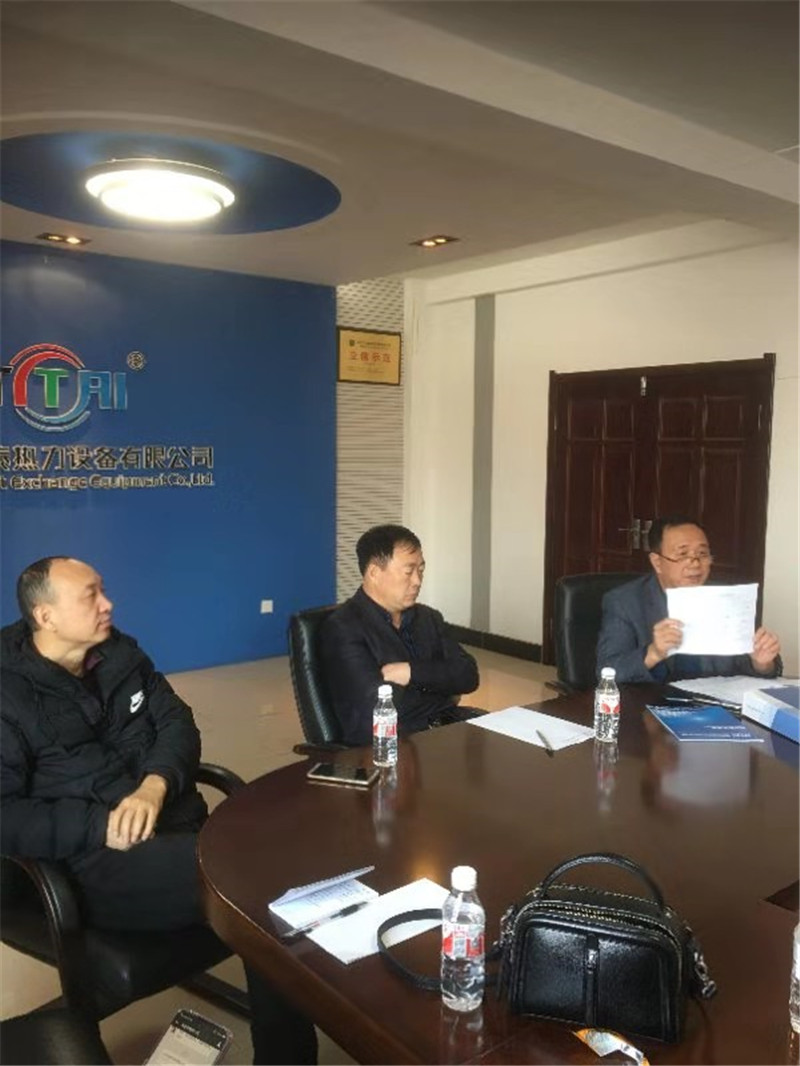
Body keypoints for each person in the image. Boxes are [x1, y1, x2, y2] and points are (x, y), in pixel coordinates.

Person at [0, 556, 317, 1066]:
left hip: (178, 825)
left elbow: (177, 723)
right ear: (46, 616)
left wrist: (155, 783)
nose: (108, 604)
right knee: (264, 889)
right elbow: (6, 816)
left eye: (103, 589)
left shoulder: (120, 653)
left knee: (289, 854)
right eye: (90, 596)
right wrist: (99, 825)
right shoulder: (8, 693)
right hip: (97, 860)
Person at [320, 524, 482, 745]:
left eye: (421, 570)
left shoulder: (428, 618)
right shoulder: (343, 627)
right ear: (374, 573)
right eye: (408, 572)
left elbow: (468, 676)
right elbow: (376, 707)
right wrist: (441, 681)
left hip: (446, 727)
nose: (417, 581)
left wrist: (410, 672)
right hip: (393, 742)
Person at [596, 515, 782, 684]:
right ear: (657, 562)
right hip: (653, 702)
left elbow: (758, 665)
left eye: (702, 554)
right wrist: (653, 653)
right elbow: (607, 671)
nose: (695, 563)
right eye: (683, 554)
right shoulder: (624, 602)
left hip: (716, 702)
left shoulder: (727, 598)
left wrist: (762, 664)